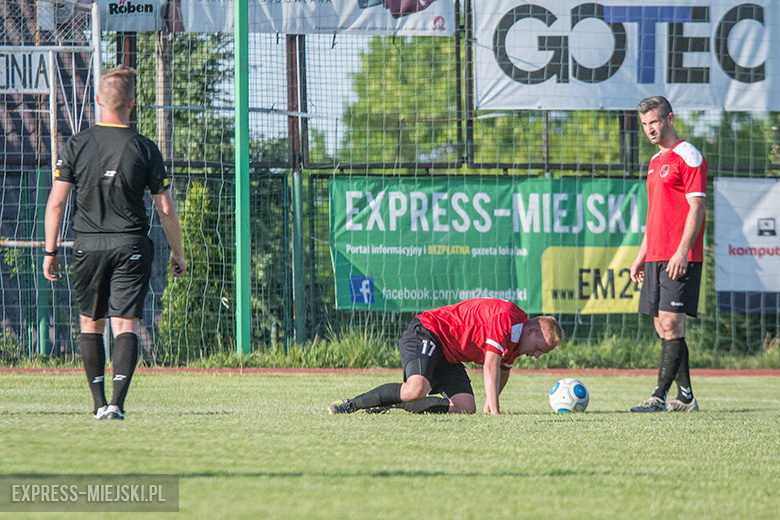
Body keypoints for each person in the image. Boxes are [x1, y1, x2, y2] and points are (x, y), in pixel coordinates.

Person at [43, 65, 186, 420]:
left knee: (91, 323)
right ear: (132, 103)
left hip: (87, 246)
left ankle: (98, 404)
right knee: (125, 325)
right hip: (131, 246)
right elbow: (166, 208)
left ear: (97, 100)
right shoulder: (144, 147)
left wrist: (50, 250)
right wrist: (178, 253)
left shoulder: (77, 145)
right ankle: (117, 406)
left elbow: (56, 202)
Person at [328, 298, 563, 415]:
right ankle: (349, 405)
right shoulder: (508, 317)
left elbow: (503, 370)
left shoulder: (517, 343)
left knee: (464, 407)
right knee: (416, 389)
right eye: (540, 348)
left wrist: (488, 406)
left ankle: (393, 402)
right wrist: (496, 413)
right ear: (533, 331)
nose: (537, 355)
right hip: (428, 332)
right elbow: (491, 365)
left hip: (449, 355)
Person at [630, 96, 706, 413]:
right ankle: (686, 397)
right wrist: (641, 255)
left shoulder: (688, 155)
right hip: (655, 256)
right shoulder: (654, 162)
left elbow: (697, 207)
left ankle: (658, 396)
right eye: (644, 124)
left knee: (672, 324)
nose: (649, 129)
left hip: (678, 256)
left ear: (670, 119)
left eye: (654, 122)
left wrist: (682, 252)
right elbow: (655, 215)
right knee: (663, 327)